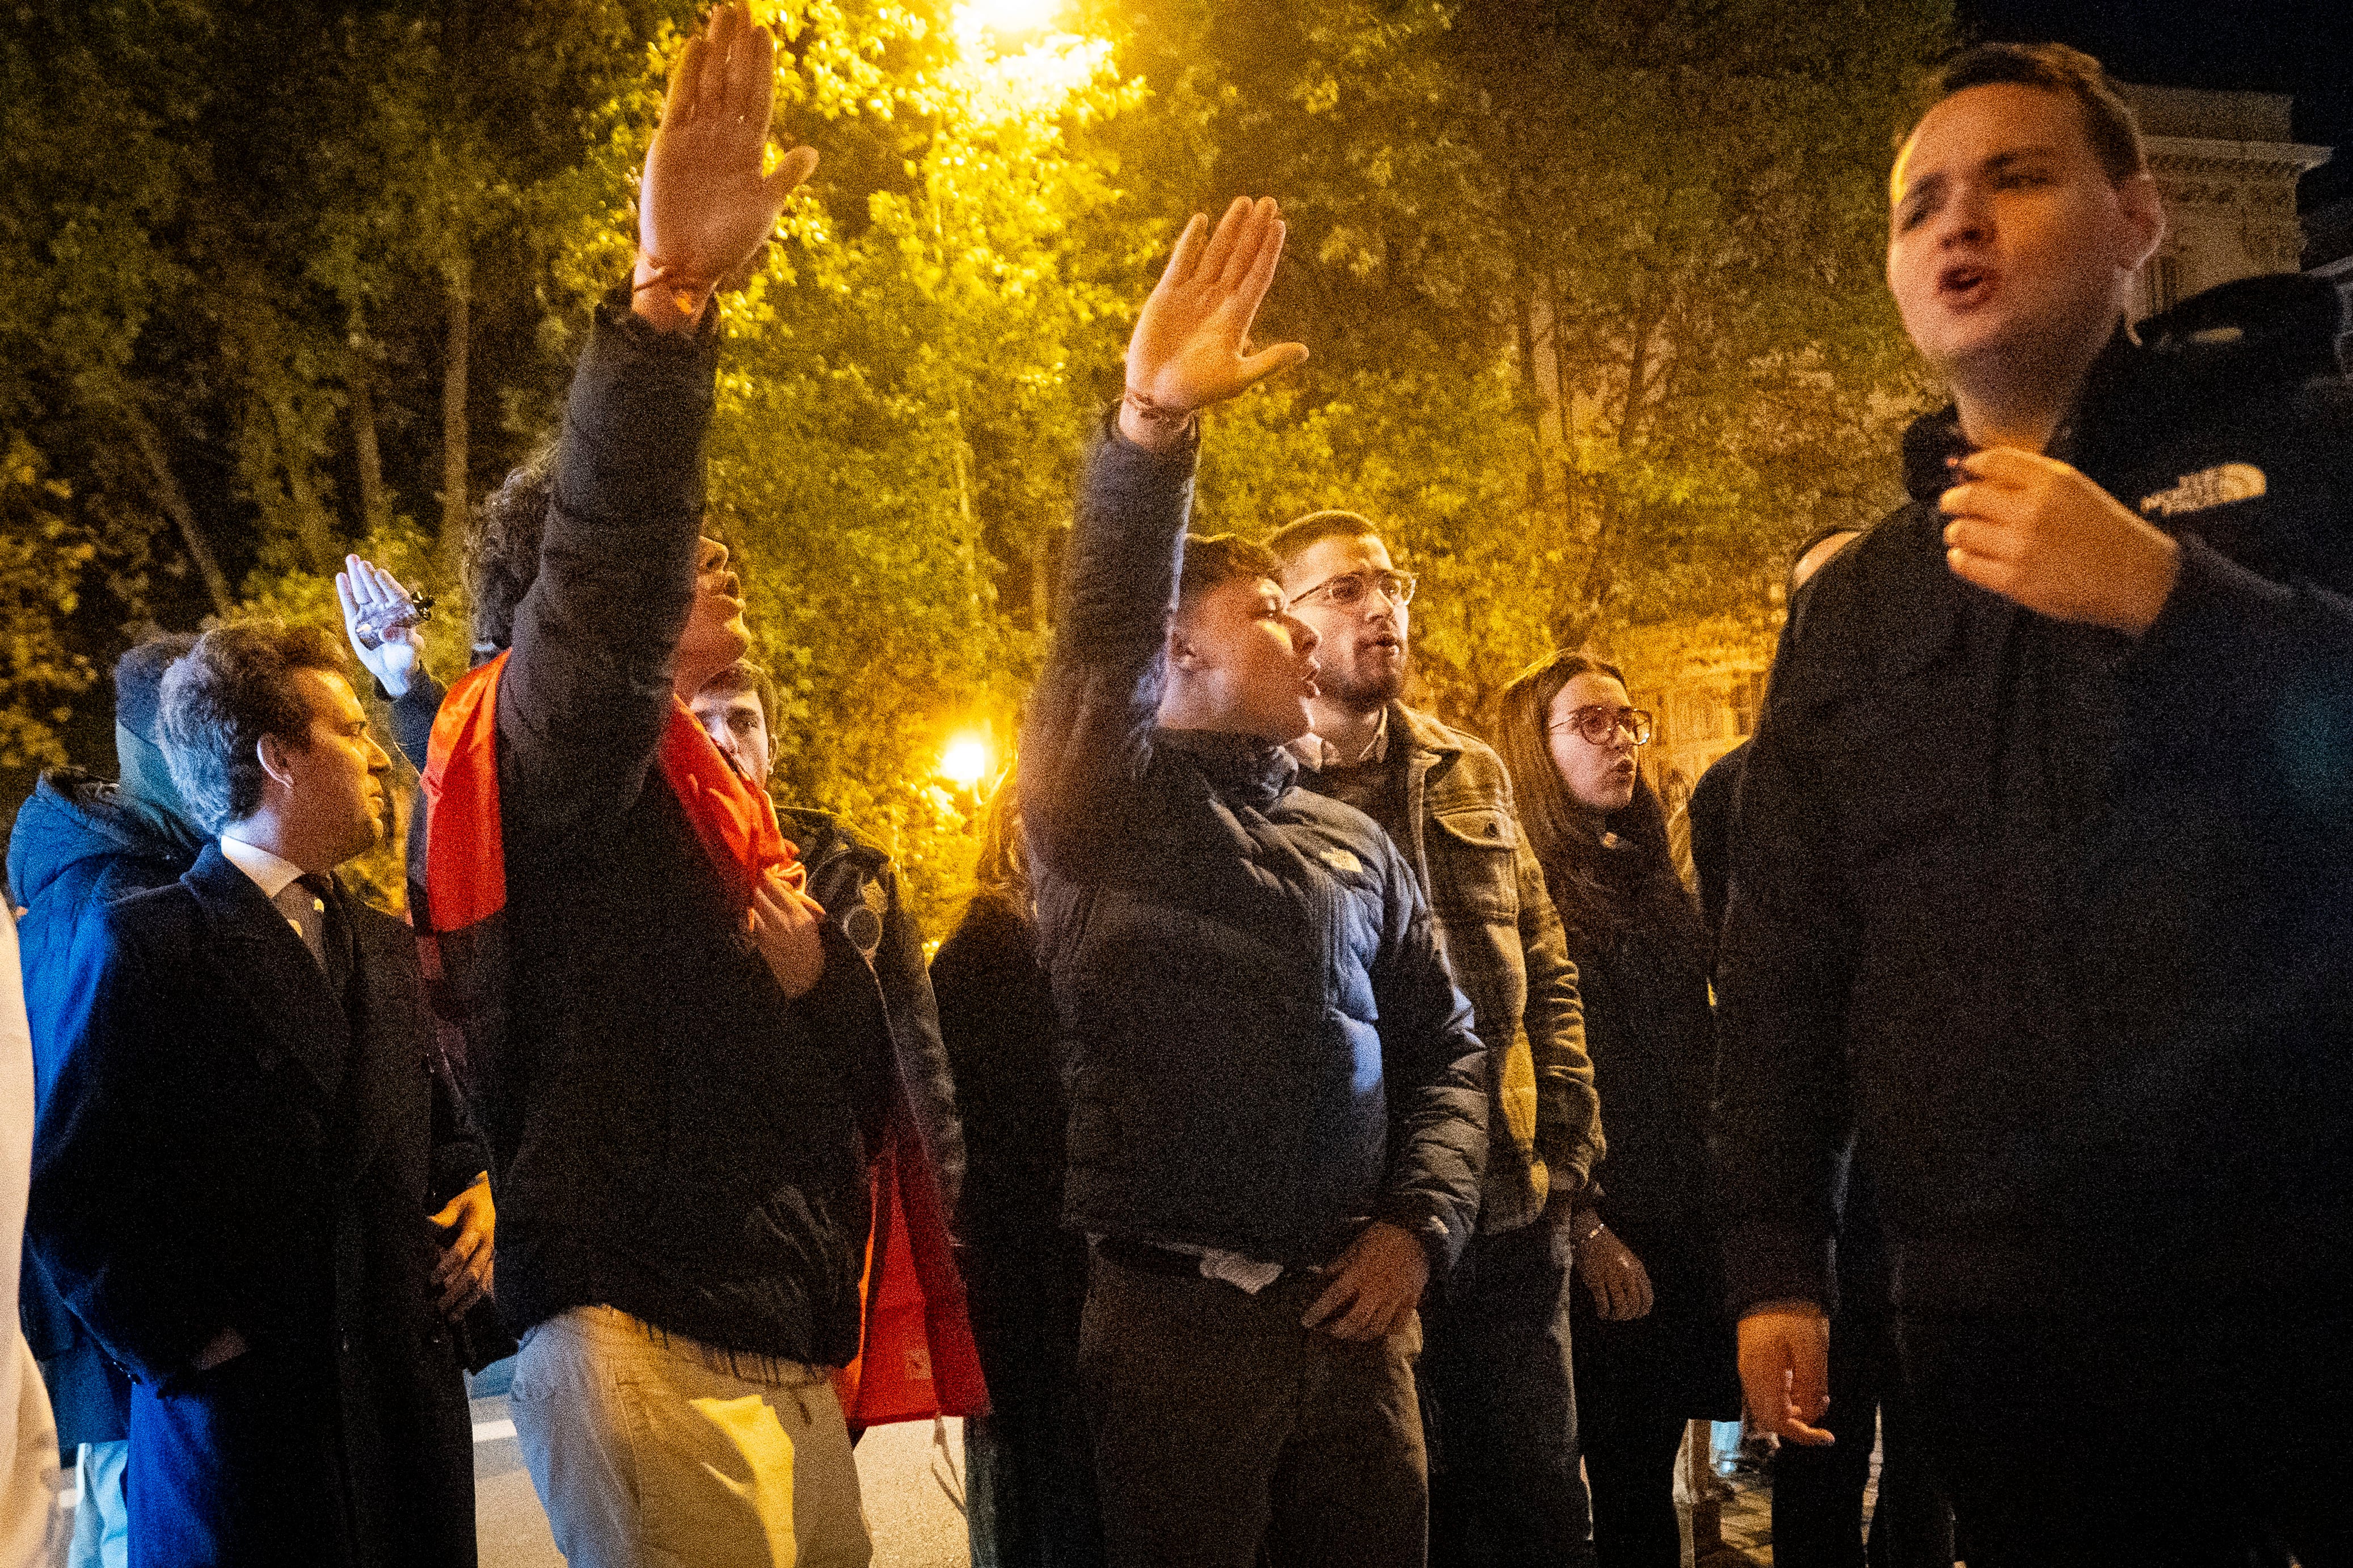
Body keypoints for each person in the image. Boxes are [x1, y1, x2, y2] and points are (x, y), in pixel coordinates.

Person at [1713, 43, 2353, 1566]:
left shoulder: (2310, 452)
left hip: (2291, 1268)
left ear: (2136, 217)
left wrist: (2168, 593)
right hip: (1995, 1311)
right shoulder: (1857, 600)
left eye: (2015, 176)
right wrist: (1771, 1260)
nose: (1957, 224)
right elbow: (1792, 945)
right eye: (1917, 203)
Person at [415, 9, 960, 1563]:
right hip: (643, 1334)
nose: (708, 562)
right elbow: (604, 565)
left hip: (777, 1333)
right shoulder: (556, 751)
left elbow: (853, 1097)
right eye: (680, 556)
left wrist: (820, 987)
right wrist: (666, 308)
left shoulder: (735, 816)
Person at [1019, 195, 1488, 1568]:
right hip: (1176, 1332)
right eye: (1270, 614)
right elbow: (1095, 632)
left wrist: (1419, 1224)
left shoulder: (1359, 841)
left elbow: (1447, 1047)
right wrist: (1149, 432)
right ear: (1179, 655)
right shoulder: (1099, 804)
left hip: (1353, 1328)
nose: (1303, 634)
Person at [25, 624, 479, 1567]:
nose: (378, 757)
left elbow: (437, 1132)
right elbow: (69, 1189)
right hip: (244, 1452)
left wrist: (478, 1194)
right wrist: (188, 1342)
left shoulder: (388, 948)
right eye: (353, 729)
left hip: (403, 1433)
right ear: (279, 757)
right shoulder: (145, 943)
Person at [1269, 510, 1601, 1566]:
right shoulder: (1262, 796)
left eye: (1391, 581)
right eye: (1346, 590)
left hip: (1507, 1208)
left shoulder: (1470, 768)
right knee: (1408, 1507)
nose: (1383, 606)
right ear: (1287, 625)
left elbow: (1543, 965)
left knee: (1542, 1497)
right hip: (1361, 1228)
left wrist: (1569, 1158)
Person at [1494, 653, 1739, 1568]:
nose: (1622, 741)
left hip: (1682, 1209)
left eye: (1629, 720)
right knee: (1621, 1479)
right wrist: (1587, 1218)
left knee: (1659, 1463)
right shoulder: (1525, 889)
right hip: (1605, 1222)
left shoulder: (1649, 874)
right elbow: (1531, 1065)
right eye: (1591, 723)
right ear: (1536, 743)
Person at [6, 636, 199, 1568]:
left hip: (116, 1354)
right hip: (129, 1362)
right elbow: (75, 1159)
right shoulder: (118, 907)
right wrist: (170, 1339)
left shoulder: (109, 881)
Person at [930, 787, 1103, 1568]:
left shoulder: (1087, 944)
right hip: (1031, 1287)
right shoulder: (984, 955)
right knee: (1049, 1499)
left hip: (1061, 1281)